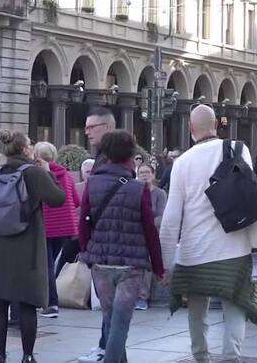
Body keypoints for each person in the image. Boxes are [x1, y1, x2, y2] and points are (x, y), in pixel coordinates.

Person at [159, 104, 257, 363]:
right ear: (216, 126)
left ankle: (200, 357)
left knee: (197, 311)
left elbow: (171, 219)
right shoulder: (237, 149)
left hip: (193, 252)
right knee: (235, 307)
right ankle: (231, 358)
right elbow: (250, 199)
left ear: (191, 130)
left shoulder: (182, 163)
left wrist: (165, 264)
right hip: (234, 249)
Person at [78, 130, 165, 363]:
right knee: (120, 324)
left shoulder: (92, 183)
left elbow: (84, 222)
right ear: (130, 155)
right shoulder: (138, 189)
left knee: (110, 321)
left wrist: (88, 251)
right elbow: (150, 230)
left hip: (101, 264)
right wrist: (158, 267)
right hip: (131, 266)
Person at [0, 130, 66, 363]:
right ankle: (27, 355)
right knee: (27, 303)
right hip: (27, 245)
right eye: (30, 144)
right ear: (25, 149)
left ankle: (0, 356)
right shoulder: (33, 172)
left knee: (0, 302)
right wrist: (47, 172)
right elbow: (58, 199)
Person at [78, 107, 116, 363]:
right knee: (110, 305)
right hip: (108, 239)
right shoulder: (104, 157)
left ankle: (107, 350)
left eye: (92, 127)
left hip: (109, 240)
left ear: (107, 128)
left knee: (110, 305)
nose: (87, 131)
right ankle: (107, 348)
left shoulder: (111, 160)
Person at [33, 142, 81, 319]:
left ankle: (51, 303)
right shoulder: (66, 174)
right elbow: (76, 200)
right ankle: (46, 301)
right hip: (66, 227)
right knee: (50, 263)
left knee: (46, 265)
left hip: (47, 226)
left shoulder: (40, 175)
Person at [134, 163, 167, 311]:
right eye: (141, 173)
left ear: (153, 175)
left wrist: (147, 224)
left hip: (152, 233)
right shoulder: (134, 192)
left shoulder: (160, 194)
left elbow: (162, 215)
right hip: (135, 232)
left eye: (147, 172)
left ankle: (142, 297)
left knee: (146, 260)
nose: (144, 175)